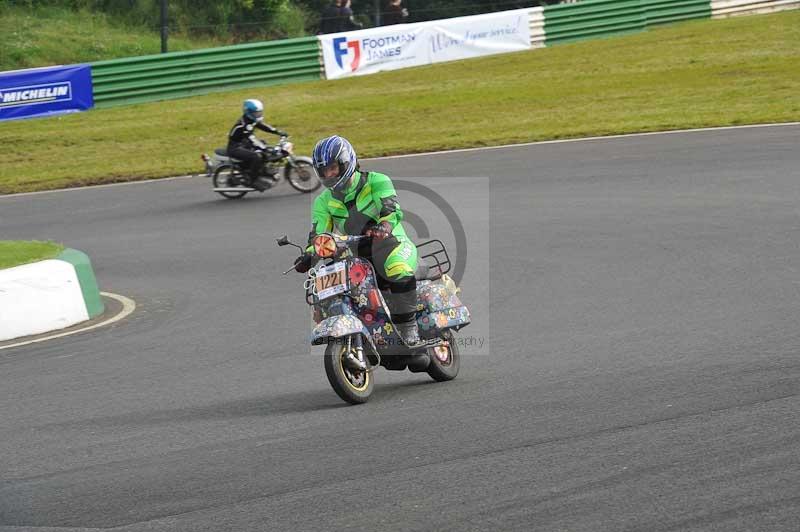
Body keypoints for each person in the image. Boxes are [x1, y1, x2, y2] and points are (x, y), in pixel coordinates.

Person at [294, 135, 428, 358]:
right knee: (341, 288)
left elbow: (391, 209)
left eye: (333, 168)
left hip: (392, 244)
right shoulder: (323, 202)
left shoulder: (377, 180)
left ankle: (409, 329)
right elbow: (319, 235)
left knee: (397, 269)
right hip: (355, 254)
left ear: (347, 162)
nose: (329, 175)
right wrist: (309, 255)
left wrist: (383, 227)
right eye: (324, 171)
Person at [227, 99, 286, 191]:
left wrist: (278, 132)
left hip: (244, 144)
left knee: (264, 147)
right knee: (256, 156)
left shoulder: (250, 120)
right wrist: (265, 149)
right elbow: (252, 139)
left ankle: (262, 172)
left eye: (259, 113)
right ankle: (253, 180)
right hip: (235, 147)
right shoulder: (244, 125)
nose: (258, 115)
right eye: (256, 113)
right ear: (248, 112)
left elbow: (264, 127)